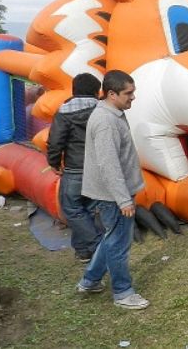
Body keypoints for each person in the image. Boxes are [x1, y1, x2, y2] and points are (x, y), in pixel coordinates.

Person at [76, 70, 149, 310]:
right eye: (129, 93)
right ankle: (123, 292)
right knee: (118, 244)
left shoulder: (114, 113)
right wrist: (123, 200)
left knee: (111, 239)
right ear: (111, 94)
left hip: (115, 193)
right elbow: (109, 165)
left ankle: (90, 281)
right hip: (114, 196)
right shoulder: (106, 122)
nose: (133, 98)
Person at [47, 73, 103, 263]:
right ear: (97, 91)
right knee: (88, 209)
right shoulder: (103, 110)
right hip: (99, 169)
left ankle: (97, 245)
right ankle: (83, 251)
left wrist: (54, 163)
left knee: (71, 209)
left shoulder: (64, 111)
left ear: (74, 90)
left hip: (75, 169)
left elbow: (55, 141)